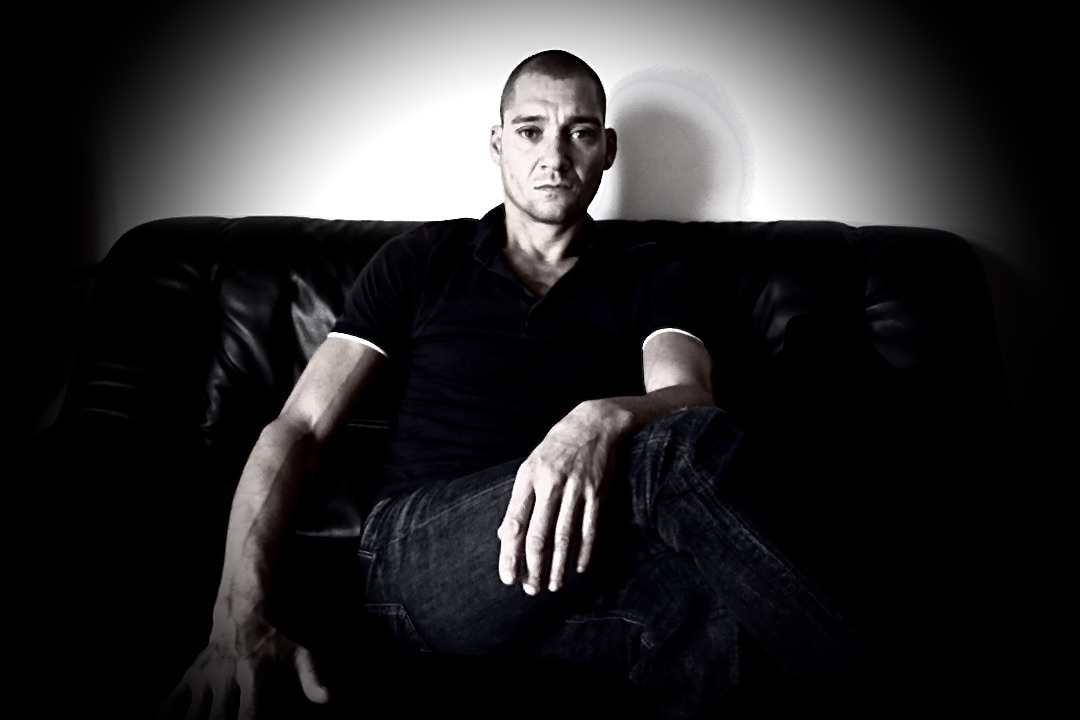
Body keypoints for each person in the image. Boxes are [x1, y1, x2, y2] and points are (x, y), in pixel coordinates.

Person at [162, 49, 881, 719]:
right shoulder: (422, 259)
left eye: (580, 133)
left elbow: (688, 398)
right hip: (419, 561)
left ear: (608, 149)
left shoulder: (651, 272)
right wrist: (238, 614)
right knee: (671, 451)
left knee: (713, 619)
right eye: (531, 131)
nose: (555, 156)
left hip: (575, 563)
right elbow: (299, 428)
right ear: (497, 144)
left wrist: (595, 419)